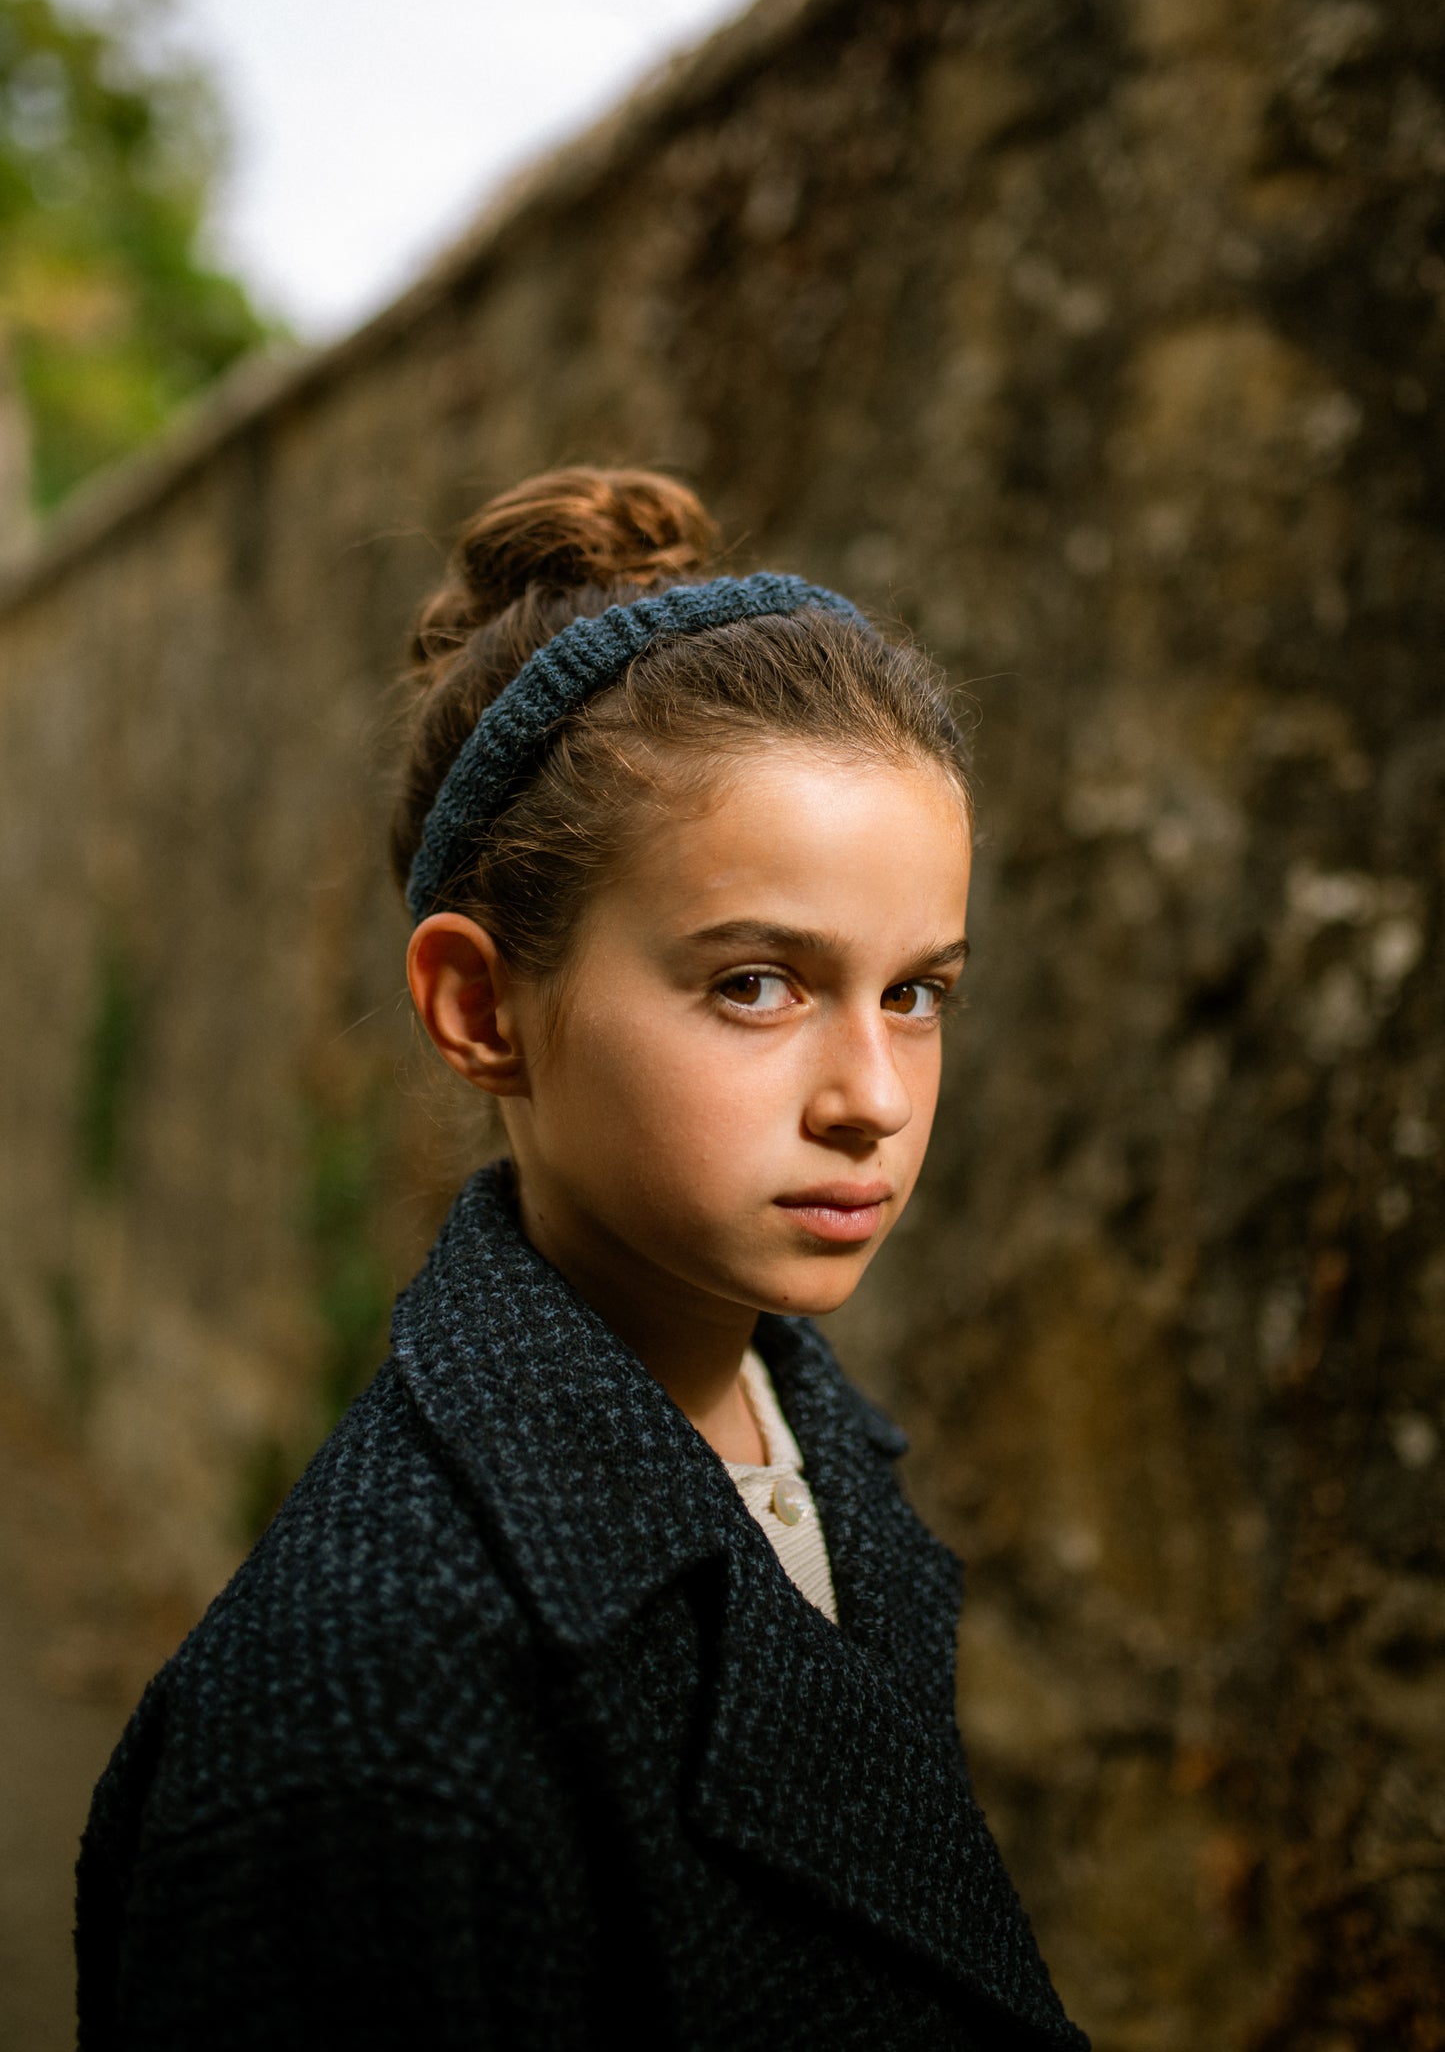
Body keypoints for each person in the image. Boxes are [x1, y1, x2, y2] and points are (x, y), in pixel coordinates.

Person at [75, 468, 1088, 2050]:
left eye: (915, 994)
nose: (873, 1100)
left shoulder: (812, 1454)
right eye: (755, 985)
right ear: (480, 1008)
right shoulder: (359, 1713)